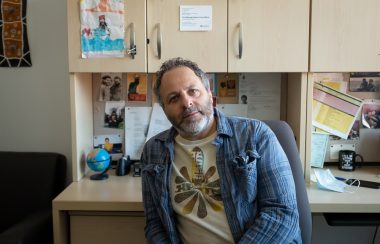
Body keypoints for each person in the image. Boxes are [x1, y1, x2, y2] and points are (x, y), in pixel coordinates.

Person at [141, 57, 301, 243]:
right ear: (164, 109)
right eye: (174, 98)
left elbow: (282, 214)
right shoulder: (154, 151)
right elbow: (155, 223)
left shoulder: (255, 135)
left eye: (193, 91)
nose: (187, 102)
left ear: (210, 93)